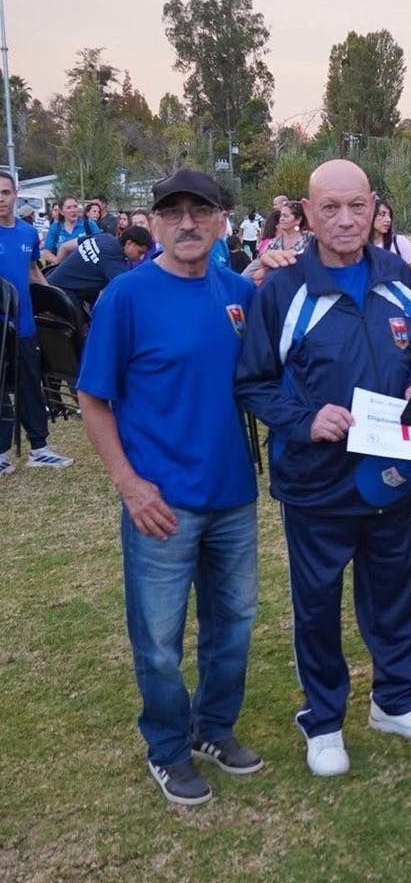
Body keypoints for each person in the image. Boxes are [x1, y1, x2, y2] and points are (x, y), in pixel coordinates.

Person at [235, 159, 411, 778]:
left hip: (391, 474)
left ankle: (395, 701)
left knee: (393, 594)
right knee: (317, 603)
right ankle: (324, 720)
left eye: (357, 205)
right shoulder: (282, 290)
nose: (346, 219)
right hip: (315, 481)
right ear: (307, 213)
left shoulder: (395, 274)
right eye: (329, 207)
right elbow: (252, 383)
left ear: (374, 205)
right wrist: (306, 420)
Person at [75, 168, 264, 806]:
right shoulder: (126, 297)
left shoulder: (239, 291)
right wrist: (130, 486)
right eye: (173, 212)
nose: (187, 223)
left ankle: (213, 727)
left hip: (232, 495)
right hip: (161, 504)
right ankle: (167, 746)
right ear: (154, 222)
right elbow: (93, 399)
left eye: (200, 210)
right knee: (159, 640)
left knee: (233, 626)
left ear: (221, 220)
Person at [0, 172, 74, 474]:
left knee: (31, 384)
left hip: (25, 326)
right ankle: (1, 454)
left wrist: (55, 300)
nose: (0, 199)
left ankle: (39, 449)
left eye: (5, 192)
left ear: (15, 194)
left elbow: (33, 271)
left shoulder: (28, 233)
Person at [46, 226, 152, 307]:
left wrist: (60, 267)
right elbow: (128, 292)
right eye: (140, 252)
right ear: (129, 243)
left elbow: (65, 247)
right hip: (63, 296)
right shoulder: (116, 261)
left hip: (49, 283)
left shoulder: (104, 237)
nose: (141, 257)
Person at [372, 198, 411, 290]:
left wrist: (410, 296)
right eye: (382, 214)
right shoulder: (359, 247)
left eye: (389, 215)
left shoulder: (399, 242)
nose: (388, 219)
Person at [42, 196, 102, 264]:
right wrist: (58, 262)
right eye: (69, 207)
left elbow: (101, 244)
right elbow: (46, 252)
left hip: (87, 267)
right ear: (61, 212)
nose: (73, 210)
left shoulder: (89, 224)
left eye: (75, 206)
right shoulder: (56, 227)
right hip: (65, 268)